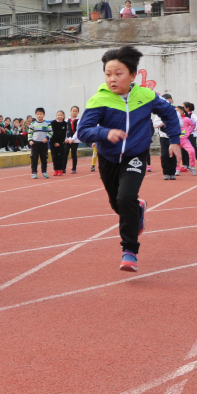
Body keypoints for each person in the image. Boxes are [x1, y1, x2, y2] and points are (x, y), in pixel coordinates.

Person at [76, 45, 181, 273]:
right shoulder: (99, 99)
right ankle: (138, 210)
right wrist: (105, 133)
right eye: (108, 74)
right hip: (108, 157)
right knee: (118, 204)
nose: (112, 79)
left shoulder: (146, 96)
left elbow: (170, 113)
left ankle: (130, 251)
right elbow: (83, 131)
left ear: (133, 75)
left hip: (135, 155)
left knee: (125, 198)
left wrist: (174, 139)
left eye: (118, 73)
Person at [27, 107, 52, 179]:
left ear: (44, 114)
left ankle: (44, 172)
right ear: (35, 115)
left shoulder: (47, 124)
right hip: (35, 144)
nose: (39, 115)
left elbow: (51, 132)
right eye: (38, 114)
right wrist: (30, 140)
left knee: (44, 158)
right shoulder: (33, 124)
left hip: (43, 144)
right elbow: (29, 133)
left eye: (41, 114)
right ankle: (34, 172)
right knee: (34, 158)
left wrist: (47, 138)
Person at [175, 105, 197, 176]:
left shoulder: (186, 119)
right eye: (175, 110)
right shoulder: (173, 119)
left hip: (184, 140)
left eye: (178, 110)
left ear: (182, 111)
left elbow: (193, 124)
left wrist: (189, 132)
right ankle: (177, 169)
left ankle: (192, 167)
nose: (176, 112)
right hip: (176, 140)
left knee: (192, 151)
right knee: (176, 155)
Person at [50, 110, 69, 175]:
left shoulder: (65, 124)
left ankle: (60, 170)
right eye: (58, 115)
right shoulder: (52, 123)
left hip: (61, 144)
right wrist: (54, 142)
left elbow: (64, 135)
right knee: (54, 157)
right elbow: (50, 133)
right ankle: (56, 170)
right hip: (53, 143)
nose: (60, 116)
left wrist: (60, 143)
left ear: (63, 116)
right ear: (56, 116)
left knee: (61, 157)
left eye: (61, 115)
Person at [66, 106, 80, 173]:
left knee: (73, 154)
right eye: (73, 111)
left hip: (75, 140)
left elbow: (78, 131)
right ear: (70, 111)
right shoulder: (66, 120)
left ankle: (74, 168)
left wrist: (73, 139)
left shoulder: (79, 121)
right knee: (65, 153)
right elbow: (64, 131)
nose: (74, 112)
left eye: (76, 111)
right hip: (67, 140)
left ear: (78, 112)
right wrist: (66, 138)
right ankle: (63, 168)